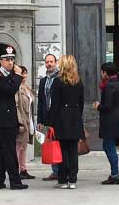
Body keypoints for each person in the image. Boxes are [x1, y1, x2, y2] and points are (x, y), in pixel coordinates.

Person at [0, 46, 28, 190]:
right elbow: (10, 89)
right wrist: (18, 75)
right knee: (10, 151)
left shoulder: (9, 76)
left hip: (10, 118)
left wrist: (16, 75)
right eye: (7, 60)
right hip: (4, 119)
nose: (10, 62)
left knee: (5, 150)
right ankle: (15, 181)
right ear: (1, 61)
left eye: (12, 59)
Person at [47, 54, 84, 189]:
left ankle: (62, 179)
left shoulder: (58, 81)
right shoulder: (78, 81)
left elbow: (55, 104)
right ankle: (73, 179)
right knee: (73, 151)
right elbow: (81, 103)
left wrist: (50, 122)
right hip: (75, 118)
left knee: (62, 150)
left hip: (61, 119)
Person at [94, 62, 119, 185]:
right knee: (108, 146)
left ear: (106, 72)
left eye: (102, 72)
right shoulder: (115, 83)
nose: (101, 74)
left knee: (109, 147)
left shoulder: (110, 85)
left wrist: (98, 106)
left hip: (110, 121)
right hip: (114, 119)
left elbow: (108, 106)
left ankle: (115, 174)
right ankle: (114, 173)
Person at [37, 53, 60, 181]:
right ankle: (55, 171)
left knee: (60, 144)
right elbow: (41, 101)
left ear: (56, 62)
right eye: (47, 62)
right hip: (47, 117)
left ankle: (63, 170)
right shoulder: (43, 81)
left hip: (58, 118)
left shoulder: (60, 78)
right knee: (51, 144)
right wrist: (40, 119)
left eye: (51, 61)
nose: (49, 64)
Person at [15, 64, 35, 180]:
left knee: (24, 147)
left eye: (26, 72)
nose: (25, 75)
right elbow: (17, 106)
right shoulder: (17, 88)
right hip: (22, 120)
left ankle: (23, 169)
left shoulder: (26, 87)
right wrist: (20, 122)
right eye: (22, 73)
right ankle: (15, 170)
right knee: (18, 146)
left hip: (29, 120)